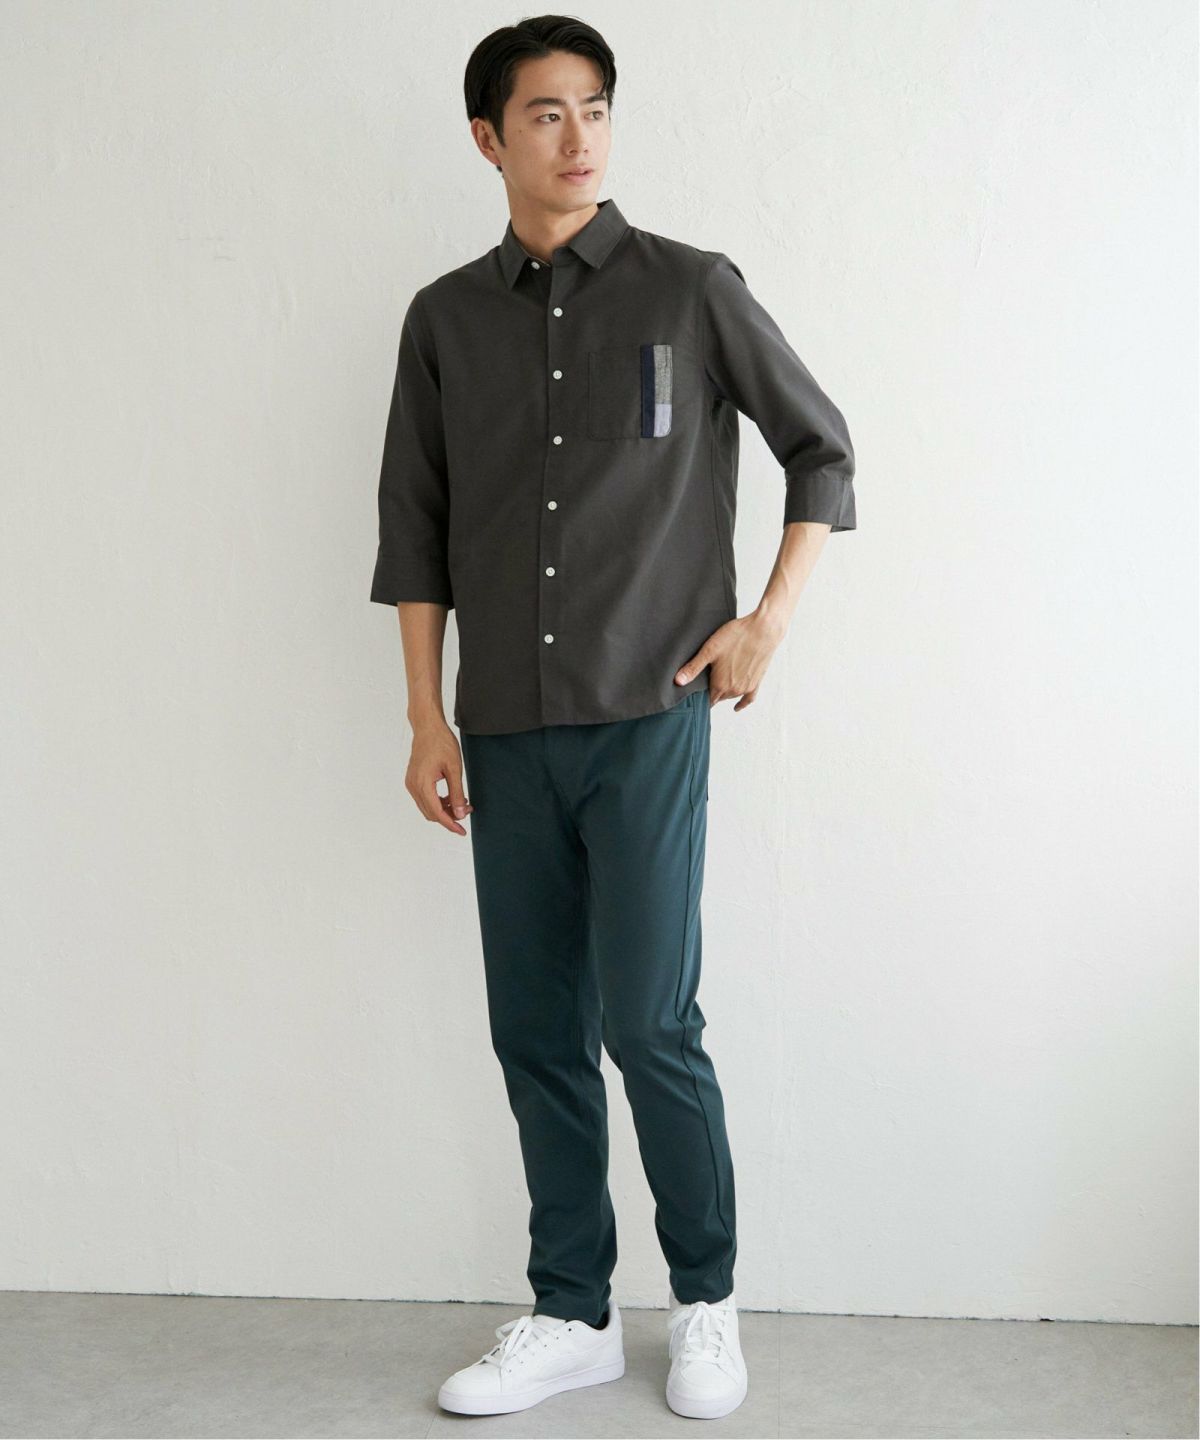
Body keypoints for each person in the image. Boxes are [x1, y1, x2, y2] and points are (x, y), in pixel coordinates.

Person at [369, 13, 856, 1423]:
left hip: (649, 717)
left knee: (651, 1023)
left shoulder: (691, 289)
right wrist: (424, 716)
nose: (577, 138)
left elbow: (822, 449)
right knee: (536, 1030)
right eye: (545, 114)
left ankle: (706, 1302)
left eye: (594, 108)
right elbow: (415, 530)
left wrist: (766, 621)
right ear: (488, 139)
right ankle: (573, 1311)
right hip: (502, 729)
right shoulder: (444, 320)